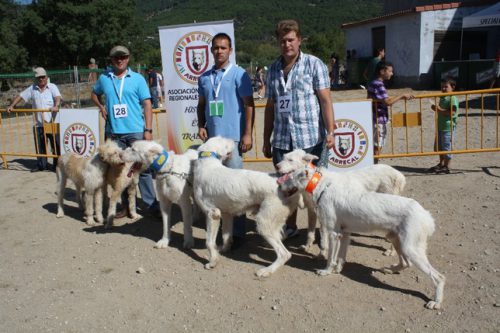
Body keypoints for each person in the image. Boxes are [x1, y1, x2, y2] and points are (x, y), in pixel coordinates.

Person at [262, 19, 335, 238]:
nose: (287, 45)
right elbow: (270, 107)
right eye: (283, 41)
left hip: (310, 139)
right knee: (285, 188)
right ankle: (290, 227)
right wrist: (266, 139)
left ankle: (324, 230)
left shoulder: (315, 64)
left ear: (299, 40)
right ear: (278, 42)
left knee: (317, 188)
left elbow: (325, 100)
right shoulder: (273, 69)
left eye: (291, 40)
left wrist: (331, 131)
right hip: (283, 140)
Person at [196, 32, 255, 247]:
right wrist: (201, 124)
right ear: (211, 50)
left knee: (235, 187)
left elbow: (249, 105)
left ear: (230, 50)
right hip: (212, 144)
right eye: (216, 48)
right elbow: (201, 105)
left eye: (223, 47)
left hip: (233, 141)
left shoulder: (239, 75)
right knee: (214, 186)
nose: (219, 51)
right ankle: (219, 227)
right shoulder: (204, 78)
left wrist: (248, 134)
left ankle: (238, 233)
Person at [91, 45, 158, 217]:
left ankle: (150, 205)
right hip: (113, 133)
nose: (120, 60)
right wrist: (100, 106)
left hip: (136, 132)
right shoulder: (104, 79)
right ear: (111, 60)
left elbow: (147, 104)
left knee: (142, 169)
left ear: (128, 58)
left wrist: (148, 129)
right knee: (118, 170)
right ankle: (126, 206)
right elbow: (94, 93)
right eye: (116, 57)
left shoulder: (137, 79)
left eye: (123, 57)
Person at [7, 67, 61, 172]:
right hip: (39, 123)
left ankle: (57, 166)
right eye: (39, 77)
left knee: (56, 145)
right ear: (36, 78)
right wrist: (12, 105)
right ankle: (41, 165)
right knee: (40, 146)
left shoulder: (52, 87)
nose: (41, 79)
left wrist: (56, 105)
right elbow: (21, 96)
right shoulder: (32, 88)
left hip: (52, 122)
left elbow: (57, 97)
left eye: (42, 77)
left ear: (46, 77)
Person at [367, 61, 413, 162]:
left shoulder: (373, 82)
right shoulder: (379, 85)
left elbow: (382, 99)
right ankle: (374, 168)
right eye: (390, 71)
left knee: (375, 145)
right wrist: (402, 95)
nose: (392, 73)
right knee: (377, 146)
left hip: (374, 118)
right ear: (382, 71)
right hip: (378, 119)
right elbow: (388, 102)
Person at [428, 77, 459, 174]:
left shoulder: (452, 97)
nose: (443, 89)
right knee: (440, 147)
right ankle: (441, 163)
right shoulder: (443, 97)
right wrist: (435, 108)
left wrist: (438, 109)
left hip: (448, 127)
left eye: (446, 87)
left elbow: (452, 112)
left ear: (453, 87)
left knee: (446, 147)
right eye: (442, 87)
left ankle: (447, 166)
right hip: (441, 126)